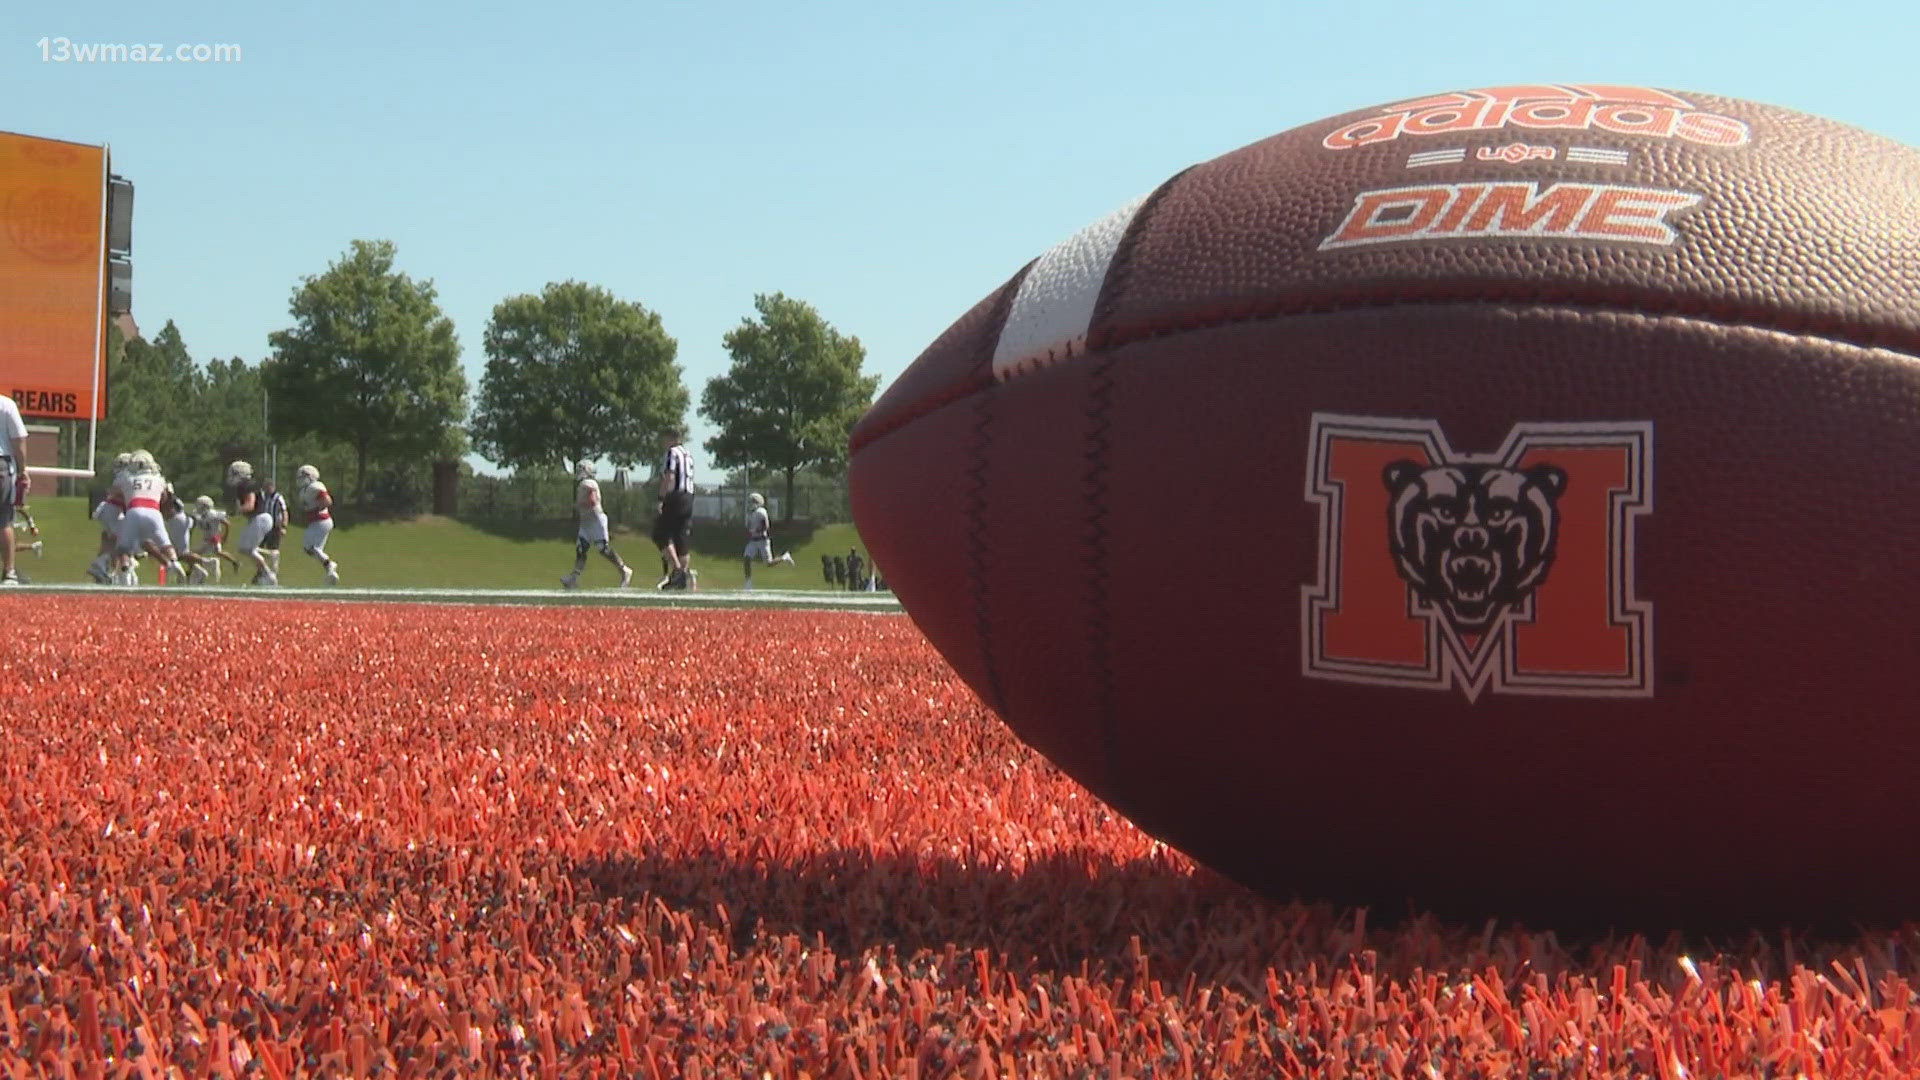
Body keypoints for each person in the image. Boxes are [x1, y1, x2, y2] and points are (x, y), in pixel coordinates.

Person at [114, 450, 185, 584]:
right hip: (153, 511)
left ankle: (125, 572)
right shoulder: (159, 479)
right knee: (165, 544)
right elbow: (164, 498)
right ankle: (175, 563)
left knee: (124, 548)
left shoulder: (126, 477)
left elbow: (114, 493)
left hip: (133, 510)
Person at [560, 461, 631, 589]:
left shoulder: (588, 483)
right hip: (587, 522)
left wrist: (578, 505)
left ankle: (624, 570)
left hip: (596, 520)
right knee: (581, 550)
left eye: (581, 469)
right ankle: (573, 579)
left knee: (603, 549)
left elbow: (592, 501)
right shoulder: (585, 483)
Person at [651, 428, 696, 590]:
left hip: (675, 496)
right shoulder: (688, 455)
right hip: (688, 497)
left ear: (670, 438)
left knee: (660, 534)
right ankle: (682, 576)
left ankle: (678, 572)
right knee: (681, 536)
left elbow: (669, 476)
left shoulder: (672, 453)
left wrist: (661, 498)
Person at [227, 460, 277, 586]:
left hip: (260, 518)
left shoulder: (246, 485)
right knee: (243, 548)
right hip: (259, 518)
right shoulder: (244, 485)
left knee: (247, 549)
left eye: (234, 473)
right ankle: (271, 555)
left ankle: (267, 574)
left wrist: (234, 512)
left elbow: (250, 504)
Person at [739, 493, 794, 590]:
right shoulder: (750, 513)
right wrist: (748, 532)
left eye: (752, 501)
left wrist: (756, 531)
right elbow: (749, 526)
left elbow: (766, 526)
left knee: (769, 563)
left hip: (762, 540)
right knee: (747, 558)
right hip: (753, 540)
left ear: (758, 502)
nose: (750, 504)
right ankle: (748, 583)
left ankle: (785, 557)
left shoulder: (761, 512)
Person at [0, 392, 25, 586]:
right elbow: (19, 440)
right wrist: (23, 470)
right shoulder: (6, 404)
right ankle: (9, 572)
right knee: (4, 521)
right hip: (2, 463)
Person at [190, 495, 240, 582]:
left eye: (200, 505)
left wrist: (225, 536)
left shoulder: (213, 514)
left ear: (206, 506)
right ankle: (196, 572)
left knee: (193, 555)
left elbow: (227, 523)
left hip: (214, 537)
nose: (198, 507)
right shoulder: (200, 514)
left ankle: (194, 572)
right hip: (206, 538)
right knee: (193, 555)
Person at [261, 478, 289, 577]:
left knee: (273, 549)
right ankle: (262, 572)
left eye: (269, 487)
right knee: (258, 549)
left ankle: (273, 573)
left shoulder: (278, 498)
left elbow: (284, 511)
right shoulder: (264, 497)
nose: (267, 489)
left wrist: (283, 526)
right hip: (264, 527)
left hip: (275, 527)